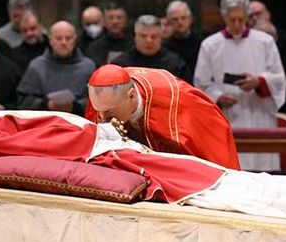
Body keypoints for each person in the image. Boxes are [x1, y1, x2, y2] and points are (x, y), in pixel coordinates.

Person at [0, 89, 286, 219]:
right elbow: (36, 145)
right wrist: (97, 138)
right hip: (99, 156)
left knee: (195, 169)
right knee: (192, 179)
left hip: (101, 146)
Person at [194, 0, 286, 172]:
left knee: (263, 173)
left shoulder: (264, 41)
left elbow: (278, 77)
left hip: (259, 114)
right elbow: (201, 82)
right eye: (232, 20)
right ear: (223, 16)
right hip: (228, 116)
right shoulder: (210, 45)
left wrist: (259, 82)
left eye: (240, 19)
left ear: (247, 16)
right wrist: (218, 96)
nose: (236, 25)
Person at [85, 64, 240, 170]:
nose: (102, 118)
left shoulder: (180, 101)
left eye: (110, 111)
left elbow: (214, 145)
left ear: (131, 96)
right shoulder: (103, 97)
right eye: (98, 110)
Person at [17, 21, 96, 115]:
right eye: (59, 38)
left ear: (75, 40)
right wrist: (46, 104)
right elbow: (24, 102)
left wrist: (75, 106)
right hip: (43, 124)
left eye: (68, 38)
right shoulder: (36, 66)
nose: (64, 42)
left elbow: (97, 102)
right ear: (50, 40)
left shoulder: (88, 67)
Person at [111, 15, 191, 81]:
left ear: (161, 37)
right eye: (143, 36)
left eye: (154, 36)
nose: (149, 40)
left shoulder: (176, 65)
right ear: (135, 36)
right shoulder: (120, 65)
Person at [86, 2, 133, 66]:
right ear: (104, 21)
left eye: (119, 18)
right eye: (110, 18)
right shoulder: (95, 47)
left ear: (126, 21)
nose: (115, 22)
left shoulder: (135, 45)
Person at [163, 0, 203, 76]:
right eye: (175, 19)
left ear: (190, 19)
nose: (180, 22)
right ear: (168, 21)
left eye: (183, 18)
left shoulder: (201, 43)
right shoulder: (164, 47)